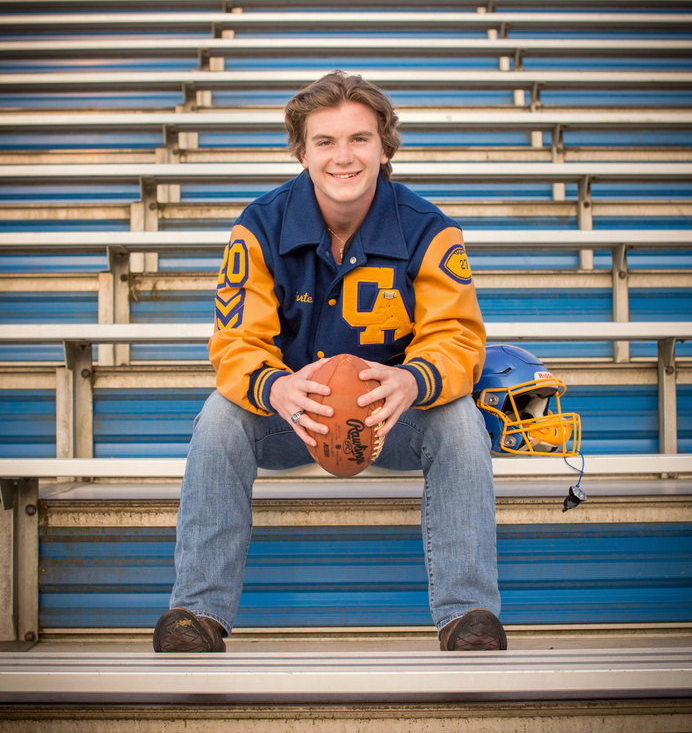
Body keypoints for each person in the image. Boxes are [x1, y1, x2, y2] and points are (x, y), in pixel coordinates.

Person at [153, 71, 506, 653]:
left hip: (392, 418)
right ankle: (197, 611)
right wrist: (275, 389)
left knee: (461, 419)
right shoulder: (260, 226)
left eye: (359, 139)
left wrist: (412, 381)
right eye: (325, 141)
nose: (344, 157)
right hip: (295, 418)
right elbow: (235, 340)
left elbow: (458, 337)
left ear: (385, 148)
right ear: (302, 152)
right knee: (220, 416)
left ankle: (467, 614)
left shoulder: (431, 229)